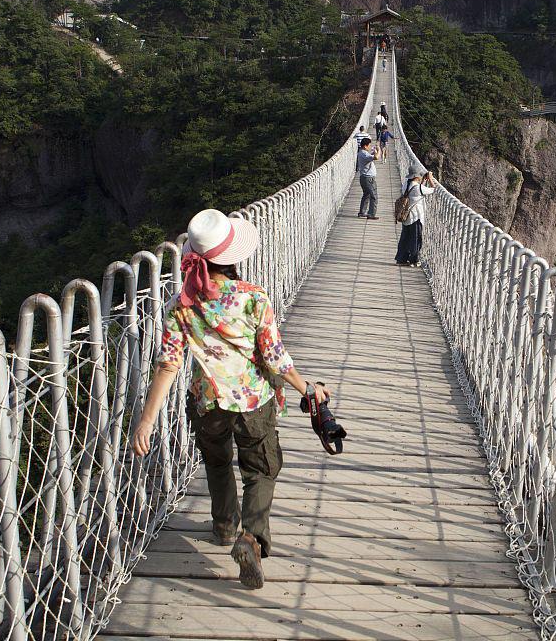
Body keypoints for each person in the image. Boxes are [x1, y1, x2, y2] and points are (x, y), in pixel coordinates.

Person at [131, 208, 330, 590]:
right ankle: (251, 539)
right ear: (234, 258)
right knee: (261, 469)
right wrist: (309, 390)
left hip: (207, 403)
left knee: (218, 462)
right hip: (253, 401)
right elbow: (274, 357)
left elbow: (168, 365)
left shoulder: (181, 304)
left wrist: (147, 419)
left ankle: (224, 527)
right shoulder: (253, 298)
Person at [396, 168, 437, 266]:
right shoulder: (419, 188)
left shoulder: (406, 184)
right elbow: (433, 189)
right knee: (415, 239)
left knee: (405, 238)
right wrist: (430, 178)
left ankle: (401, 259)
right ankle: (414, 260)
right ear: (416, 176)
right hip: (416, 217)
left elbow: (416, 190)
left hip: (406, 216)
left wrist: (422, 181)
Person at [356, 137, 378, 219]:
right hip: (368, 179)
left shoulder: (361, 153)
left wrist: (373, 152)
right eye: (369, 145)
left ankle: (362, 212)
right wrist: (378, 150)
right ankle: (371, 214)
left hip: (364, 178)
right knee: (374, 196)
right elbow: (376, 157)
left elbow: (371, 156)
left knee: (366, 195)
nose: (370, 147)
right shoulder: (364, 154)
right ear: (365, 146)